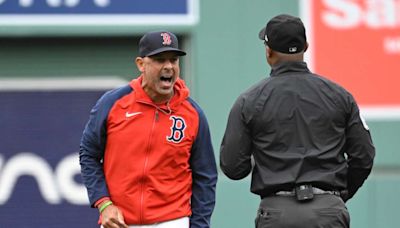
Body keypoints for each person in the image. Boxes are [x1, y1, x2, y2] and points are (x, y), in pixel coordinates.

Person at [220, 14, 375, 228]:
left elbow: (233, 167)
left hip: (278, 213)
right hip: (328, 211)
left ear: (268, 51)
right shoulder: (340, 96)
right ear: (306, 46)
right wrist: (337, 195)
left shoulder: (249, 100)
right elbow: (364, 157)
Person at [79, 30, 217, 228]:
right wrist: (104, 203)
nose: (169, 66)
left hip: (172, 221)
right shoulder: (113, 103)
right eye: (160, 60)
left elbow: (206, 176)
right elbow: (88, 154)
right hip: (120, 221)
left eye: (174, 60)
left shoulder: (192, 114)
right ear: (141, 64)